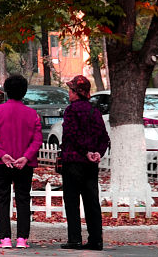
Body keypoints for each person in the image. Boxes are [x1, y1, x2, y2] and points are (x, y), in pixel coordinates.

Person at [0, 74, 42, 250]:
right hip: (24, 163)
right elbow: (37, 139)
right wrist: (26, 156)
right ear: (24, 92)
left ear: (6, 91)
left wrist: (2, 155)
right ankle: (22, 239)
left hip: (0, 162)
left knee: (2, 199)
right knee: (23, 199)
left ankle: (4, 238)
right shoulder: (32, 114)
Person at [59, 75, 108, 251]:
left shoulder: (71, 110)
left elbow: (72, 135)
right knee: (92, 201)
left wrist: (85, 152)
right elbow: (104, 137)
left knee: (72, 201)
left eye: (70, 90)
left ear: (76, 92)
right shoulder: (94, 111)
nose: (69, 93)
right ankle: (96, 239)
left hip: (73, 161)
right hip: (90, 164)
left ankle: (75, 239)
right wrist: (97, 153)